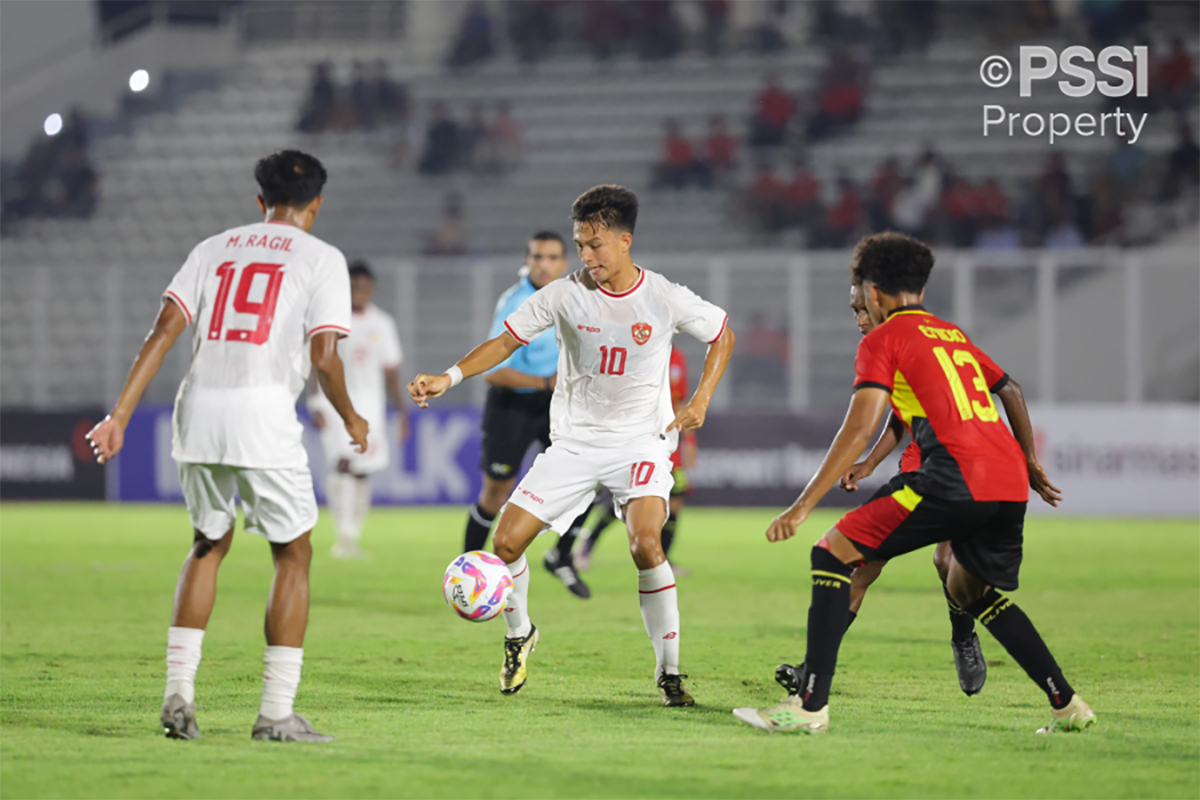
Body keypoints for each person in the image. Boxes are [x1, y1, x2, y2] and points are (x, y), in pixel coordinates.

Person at [734, 232, 1093, 734]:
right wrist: (1030, 462)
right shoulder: (950, 335)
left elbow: (858, 426)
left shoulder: (884, 340)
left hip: (954, 475)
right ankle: (1067, 704)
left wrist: (802, 504)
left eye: (861, 298)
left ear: (873, 293)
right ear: (919, 290)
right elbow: (1007, 387)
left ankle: (809, 708)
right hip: (1007, 479)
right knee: (970, 589)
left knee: (832, 552)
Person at [409, 185, 735, 706]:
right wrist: (449, 377)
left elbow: (722, 333)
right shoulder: (564, 294)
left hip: (641, 444)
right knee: (506, 543)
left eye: (596, 245)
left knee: (645, 545)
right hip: (575, 443)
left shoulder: (663, 296)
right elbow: (506, 341)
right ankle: (519, 635)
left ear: (625, 241)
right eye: (580, 244)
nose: (587, 256)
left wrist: (701, 399)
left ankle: (669, 674)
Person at [85, 150, 367, 742]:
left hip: (197, 413)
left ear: (260, 202)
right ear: (315, 205)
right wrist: (351, 417)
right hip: (262, 417)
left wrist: (119, 417)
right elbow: (324, 358)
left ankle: (179, 694)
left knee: (208, 544)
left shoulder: (213, 247)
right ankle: (275, 712)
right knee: (293, 554)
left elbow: (163, 333)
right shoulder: (322, 259)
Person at [775, 280, 1063, 699]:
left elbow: (1009, 389)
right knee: (861, 567)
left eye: (861, 310)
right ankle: (811, 670)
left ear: (878, 298)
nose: (859, 320)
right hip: (929, 463)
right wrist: (871, 463)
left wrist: (1031, 459)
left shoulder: (915, 341)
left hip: (960, 466)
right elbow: (897, 415)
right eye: (853, 313)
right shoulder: (909, 343)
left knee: (947, 562)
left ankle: (963, 634)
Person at [461, 231, 576, 583]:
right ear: (527, 261)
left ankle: (561, 555)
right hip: (513, 404)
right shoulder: (514, 302)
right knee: (496, 491)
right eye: (538, 257)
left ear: (564, 263)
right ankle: (467, 570)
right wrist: (544, 382)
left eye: (553, 257)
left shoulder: (575, 299)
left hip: (557, 405)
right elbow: (494, 373)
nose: (545, 264)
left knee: (583, 479)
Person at [308, 260, 407, 559]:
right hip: (334, 401)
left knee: (364, 470)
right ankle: (342, 536)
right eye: (352, 287)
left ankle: (353, 536)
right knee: (343, 462)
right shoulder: (330, 320)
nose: (358, 292)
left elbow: (391, 372)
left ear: (372, 288)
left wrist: (402, 412)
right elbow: (317, 363)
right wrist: (314, 402)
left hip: (371, 405)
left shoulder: (383, 323)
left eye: (363, 287)